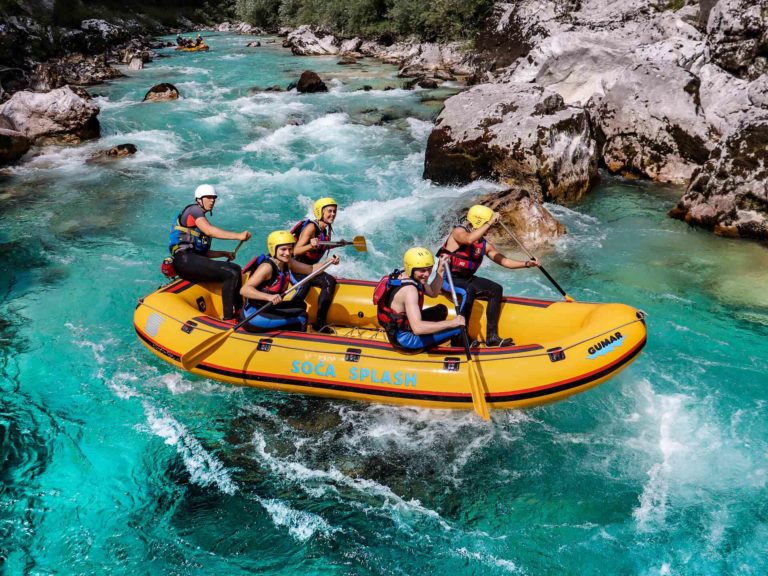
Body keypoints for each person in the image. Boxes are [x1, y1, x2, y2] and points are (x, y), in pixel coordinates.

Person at [437, 205, 539, 347]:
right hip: (448, 278)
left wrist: (527, 264)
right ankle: (460, 336)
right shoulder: (458, 232)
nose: (490, 228)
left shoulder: (485, 245)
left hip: (466, 279)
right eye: (488, 224)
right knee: (469, 290)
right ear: (480, 222)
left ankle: (492, 337)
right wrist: (490, 221)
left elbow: (504, 261)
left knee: (496, 289)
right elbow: (468, 240)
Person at [169, 184, 251, 322]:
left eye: (214, 198)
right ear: (199, 200)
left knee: (236, 268)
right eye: (208, 197)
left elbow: (203, 253)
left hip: (190, 259)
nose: (212, 201)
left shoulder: (197, 224)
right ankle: (229, 318)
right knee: (230, 273)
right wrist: (238, 236)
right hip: (183, 260)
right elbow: (209, 230)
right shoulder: (193, 210)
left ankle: (239, 310)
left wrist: (224, 253)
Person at [240, 230, 340, 333]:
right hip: (254, 315)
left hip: (269, 308)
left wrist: (328, 262)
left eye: (290, 249)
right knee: (302, 317)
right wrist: (268, 297)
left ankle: (283, 332)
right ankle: (297, 344)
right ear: (273, 249)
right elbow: (244, 289)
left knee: (300, 305)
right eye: (283, 249)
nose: (287, 253)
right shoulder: (267, 267)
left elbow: (310, 269)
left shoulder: (288, 262)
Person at [375, 247, 465, 351]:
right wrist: (452, 323)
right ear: (412, 269)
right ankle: (458, 355)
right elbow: (418, 328)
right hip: (406, 340)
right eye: (422, 270)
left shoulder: (405, 274)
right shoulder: (410, 291)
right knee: (459, 328)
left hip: (402, 326)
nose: (427, 274)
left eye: (429, 268)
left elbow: (433, 292)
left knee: (441, 310)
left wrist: (440, 269)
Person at [291, 197, 339, 334]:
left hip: (310, 268)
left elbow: (322, 246)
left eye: (335, 212)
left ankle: (320, 323)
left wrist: (334, 257)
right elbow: (295, 250)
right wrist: (309, 246)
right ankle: (291, 316)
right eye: (329, 211)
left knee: (329, 281)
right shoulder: (311, 228)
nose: (333, 214)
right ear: (320, 212)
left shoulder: (325, 229)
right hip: (295, 266)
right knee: (304, 285)